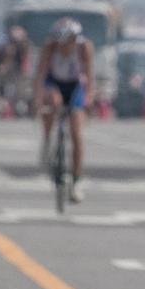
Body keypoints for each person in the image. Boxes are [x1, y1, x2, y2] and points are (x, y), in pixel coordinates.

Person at [33, 17, 94, 203]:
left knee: (76, 134)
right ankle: (47, 138)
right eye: (61, 43)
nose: (64, 47)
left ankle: (76, 180)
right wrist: (38, 99)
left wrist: (89, 100)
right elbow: (41, 74)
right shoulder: (49, 47)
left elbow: (90, 77)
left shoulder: (84, 48)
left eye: (68, 42)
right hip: (54, 83)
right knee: (52, 102)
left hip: (75, 86)